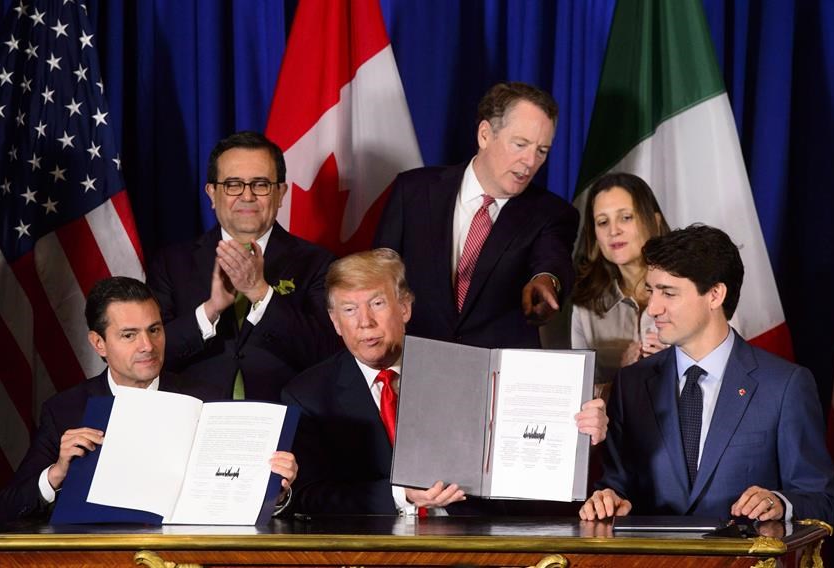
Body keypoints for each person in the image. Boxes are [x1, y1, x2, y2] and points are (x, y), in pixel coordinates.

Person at [282, 249, 607, 515]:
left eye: (377, 304)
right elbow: (309, 497)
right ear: (335, 322)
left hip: (478, 546)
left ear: (405, 307)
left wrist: (579, 437)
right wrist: (402, 495)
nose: (365, 322)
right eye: (349, 309)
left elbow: (525, 466)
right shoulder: (308, 395)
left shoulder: (471, 369)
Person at [580, 225, 834, 525]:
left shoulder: (785, 386)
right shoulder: (632, 383)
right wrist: (608, 499)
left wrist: (779, 502)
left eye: (669, 293)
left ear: (715, 295)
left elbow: (821, 501)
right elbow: (616, 485)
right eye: (651, 290)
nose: (652, 308)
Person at [0, 277, 298, 522]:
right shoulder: (65, 410)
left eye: (155, 330)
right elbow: (4, 510)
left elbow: (234, 493)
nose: (147, 346)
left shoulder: (207, 400)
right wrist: (56, 473)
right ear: (99, 343)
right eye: (129, 335)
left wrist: (277, 493)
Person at [374, 82, 578, 349]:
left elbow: (551, 261)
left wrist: (547, 282)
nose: (530, 161)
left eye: (541, 151)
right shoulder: (413, 192)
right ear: (485, 135)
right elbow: (379, 274)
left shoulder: (551, 213)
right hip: (416, 361)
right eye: (520, 144)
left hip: (497, 373)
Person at [148, 131, 338, 401]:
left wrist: (261, 293)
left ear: (281, 193)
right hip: (196, 420)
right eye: (233, 184)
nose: (247, 196)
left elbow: (328, 354)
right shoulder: (170, 263)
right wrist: (209, 311)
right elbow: (150, 354)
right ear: (212, 193)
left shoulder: (319, 263)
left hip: (286, 423)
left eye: (260, 184)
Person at [570, 173, 671, 397]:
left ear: (654, 221)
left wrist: (678, 362)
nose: (613, 231)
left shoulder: (694, 288)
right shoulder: (585, 306)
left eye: (626, 217)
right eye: (603, 222)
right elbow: (578, 396)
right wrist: (623, 379)